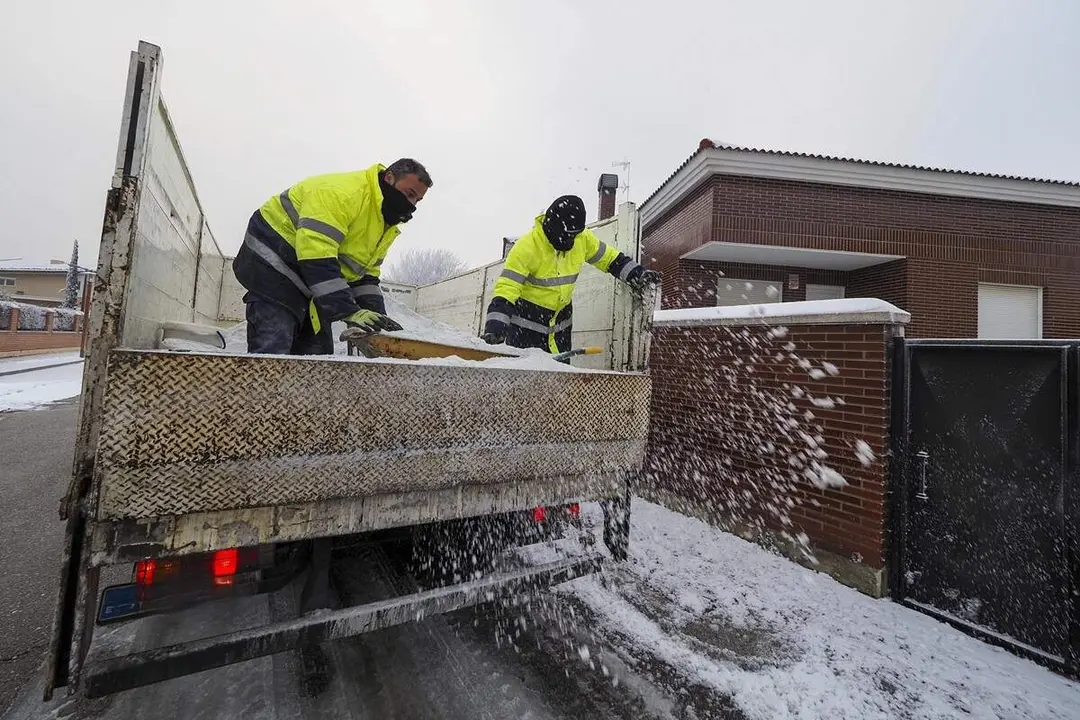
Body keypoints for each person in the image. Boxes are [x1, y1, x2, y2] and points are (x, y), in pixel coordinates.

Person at [232, 158, 432, 355]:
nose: (412, 204)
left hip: (309, 278)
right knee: (275, 345)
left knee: (318, 355)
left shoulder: (384, 223)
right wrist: (348, 310)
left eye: (417, 200)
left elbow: (364, 275)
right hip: (272, 262)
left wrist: (376, 319)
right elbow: (316, 253)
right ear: (389, 178)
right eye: (409, 194)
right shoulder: (343, 194)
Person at [481, 195, 659, 354]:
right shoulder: (527, 247)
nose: (571, 241)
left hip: (560, 334)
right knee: (527, 379)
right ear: (553, 228)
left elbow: (610, 259)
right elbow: (507, 289)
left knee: (560, 379)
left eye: (574, 235)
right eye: (567, 236)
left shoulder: (583, 239)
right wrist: (495, 329)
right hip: (526, 333)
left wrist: (637, 274)